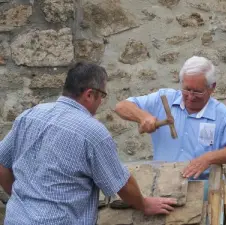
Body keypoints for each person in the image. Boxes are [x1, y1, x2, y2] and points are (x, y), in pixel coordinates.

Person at [0, 62, 176, 225]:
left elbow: (2, 164)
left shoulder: (29, 115)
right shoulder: (93, 133)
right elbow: (122, 184)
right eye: (102, 96)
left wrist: (20, 199)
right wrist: (144, 205)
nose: (101, 103)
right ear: (90, 94)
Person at [115, 56, 226, 180]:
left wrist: (208, 158)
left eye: (197, 91)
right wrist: (143, 116)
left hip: (201, 188)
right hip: (163, 184)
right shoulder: (164, 99)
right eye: (187, 89)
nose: (191, 97)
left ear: (212, 87)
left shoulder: (223, 116)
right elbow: (121, 106)